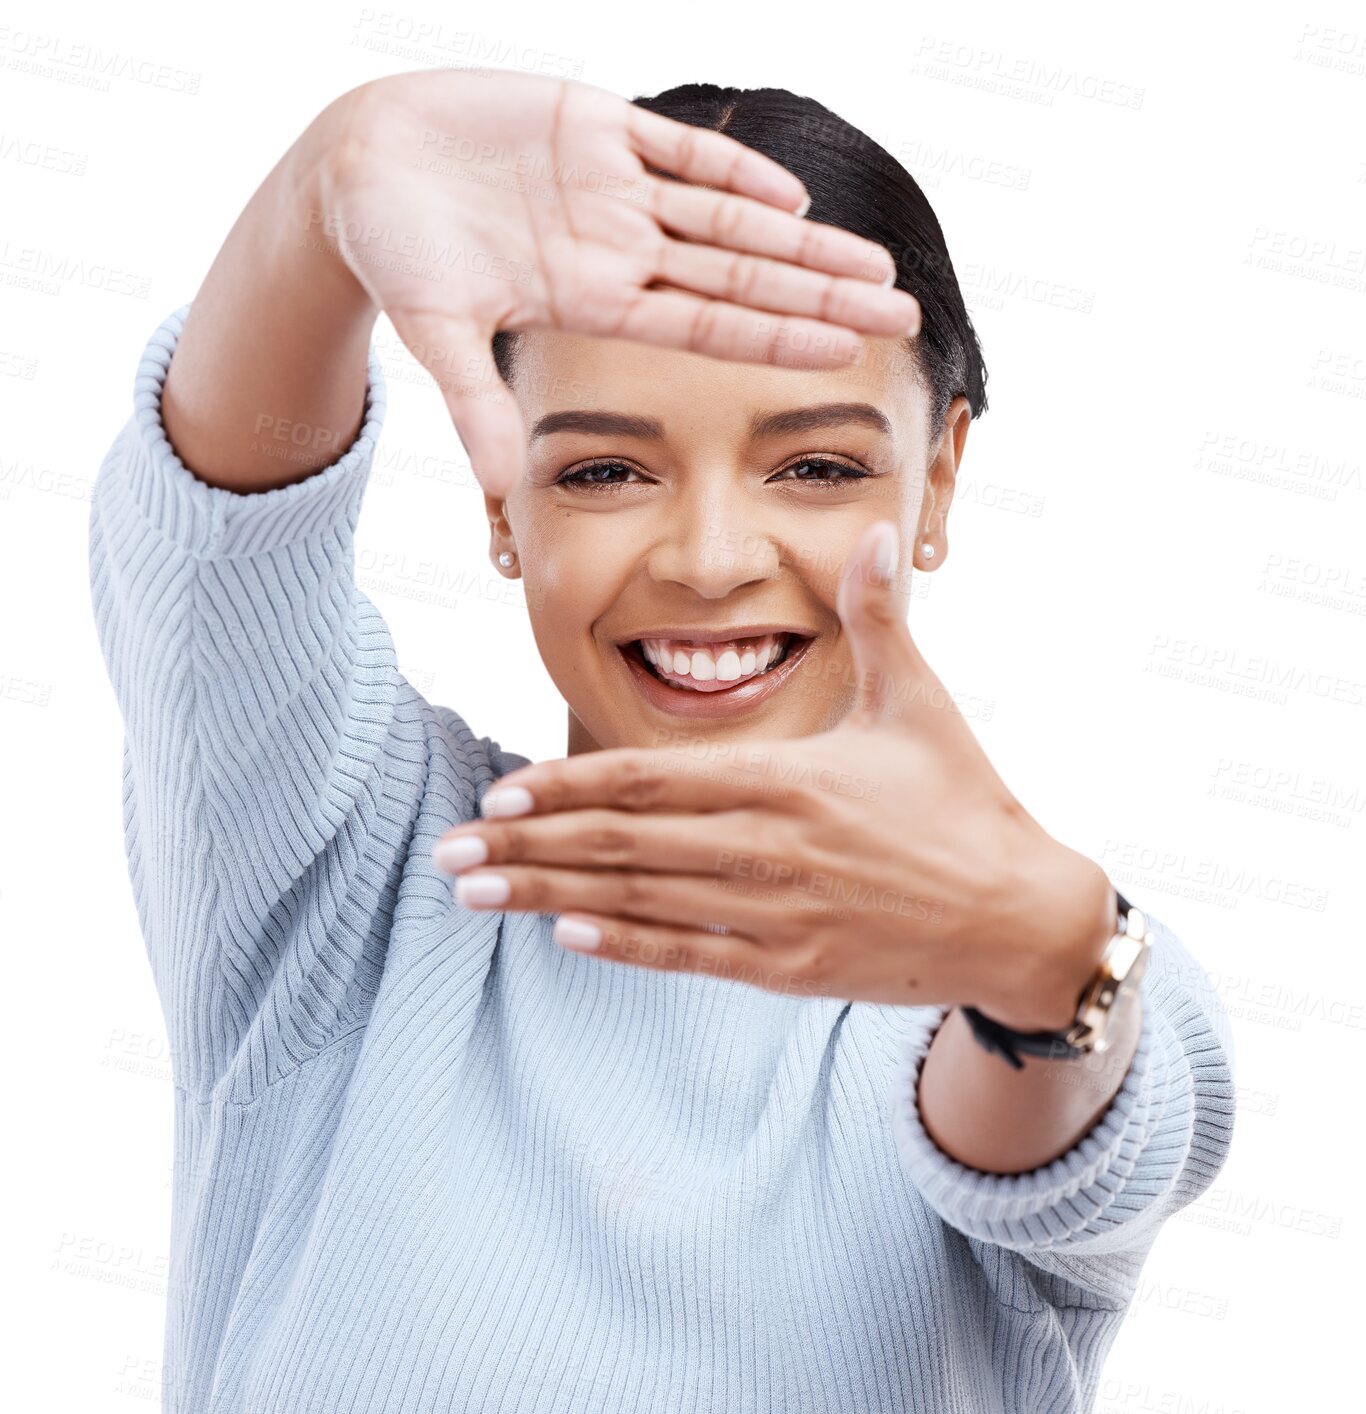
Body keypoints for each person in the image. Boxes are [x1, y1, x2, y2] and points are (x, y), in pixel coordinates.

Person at [88, 67, 1236, 1414]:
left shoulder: (1014, 959)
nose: (705, 559)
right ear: (503, 491)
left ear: (938, 477)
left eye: (813, 465)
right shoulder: (342, 871)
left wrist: (1041, 957)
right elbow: (219, 545)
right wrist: (325, 186)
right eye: (602, 468)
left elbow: (1063, 1095)